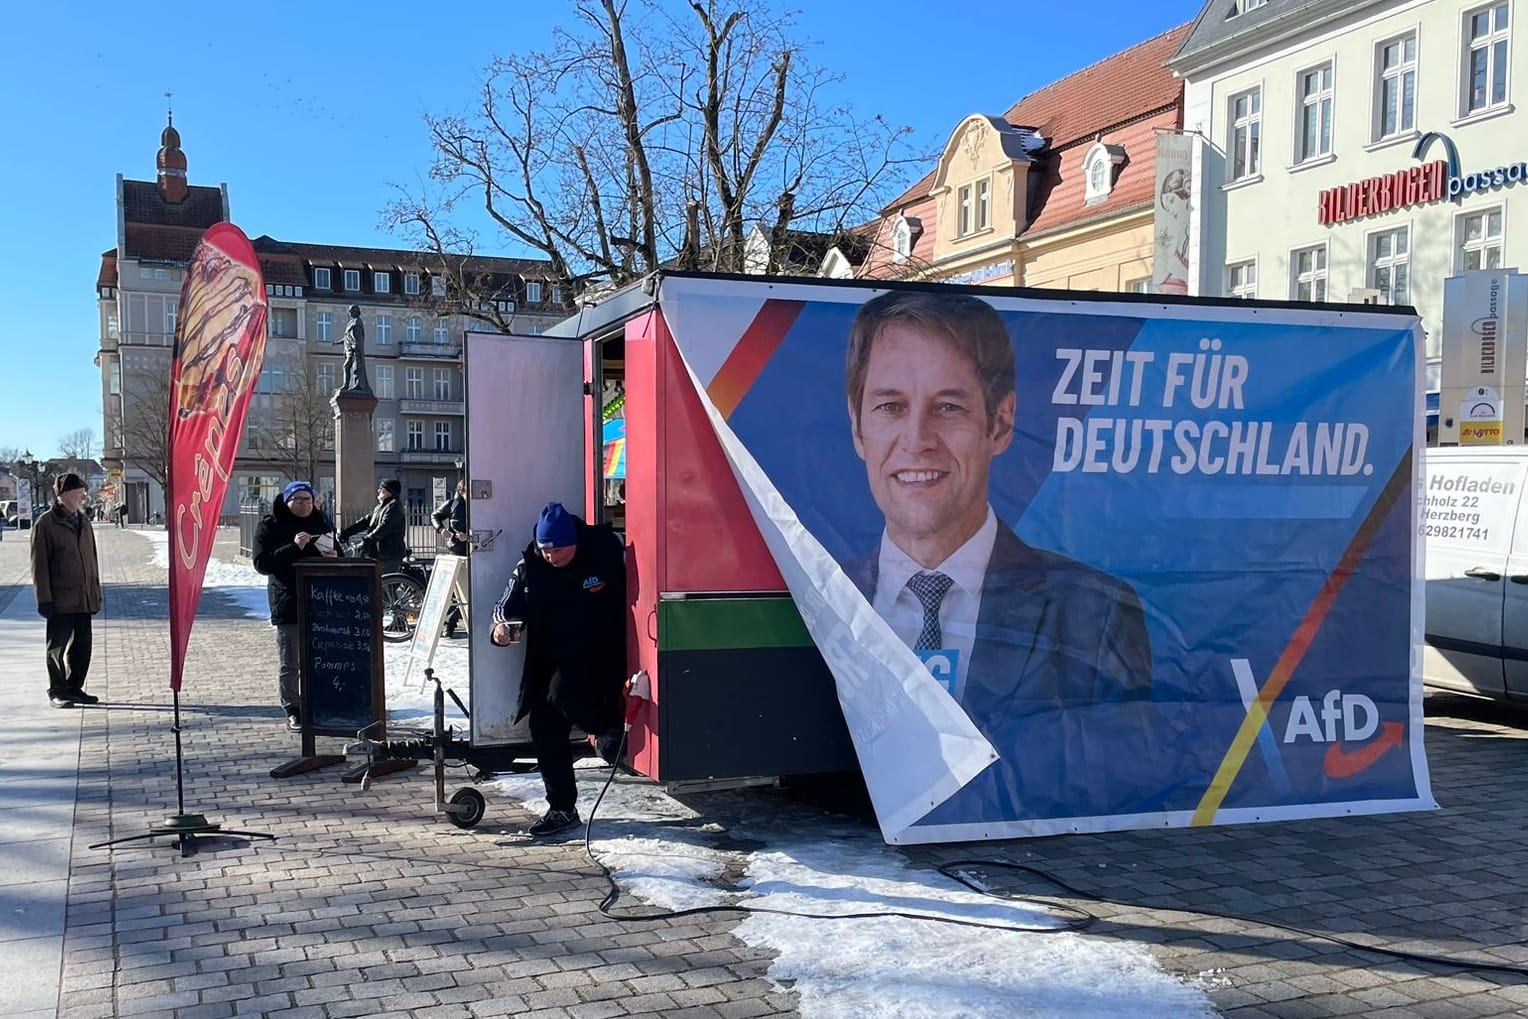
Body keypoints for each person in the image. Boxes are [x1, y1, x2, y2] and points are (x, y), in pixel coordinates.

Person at [841, 290, 1153, 819]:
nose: (917, 440)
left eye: (949, 407)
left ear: (1000, 424)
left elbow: (1120, 782)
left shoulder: (1096, 613)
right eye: (891, 406)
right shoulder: (822, 594)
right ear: (857, 427)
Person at [490, 502, 627, 837]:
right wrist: (502, 629)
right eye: (545, 551)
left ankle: (609, 734)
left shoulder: (604, 551)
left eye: (559, 551)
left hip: (601, 655)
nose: (551, 558)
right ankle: (562, 808)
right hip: (550, 657)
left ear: (575, 543)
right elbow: (504, 608)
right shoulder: (530, 565)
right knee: (544, 726)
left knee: (562, 692)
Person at [252, 481, 338, 730]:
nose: (304, 504)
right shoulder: (270, 525)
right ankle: (292, 706)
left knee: (320, 657)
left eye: (308, 499)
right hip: (288, 600)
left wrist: (334, 558)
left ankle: (320, 702)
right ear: (287, 501)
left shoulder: (321, 523)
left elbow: (339, 553)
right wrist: (293, 548)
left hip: (322, 601)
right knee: (291, 660)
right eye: (298, 500)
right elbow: (261, 564)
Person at [30, 473, 103, 708]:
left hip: (84, 596)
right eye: (80, 491)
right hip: (60, 598)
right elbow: (39, 565)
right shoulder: (45, 524)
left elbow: (92, 559)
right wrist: (44, 599)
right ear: (64, 494)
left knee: (83, 646)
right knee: (57, 647)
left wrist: (95, 591)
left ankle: (74, 688)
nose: (84, 495)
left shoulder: (84, 522)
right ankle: (57, 691)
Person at [340, 478, 407, 575]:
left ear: (389, 491)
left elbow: (384, 528)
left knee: (381, 584)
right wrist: (347, 532)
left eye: (381, 488)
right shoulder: (381, 507)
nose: (378, 491)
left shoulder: (394, 507)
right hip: (378, 553)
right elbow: (365, 521)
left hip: (389, 554)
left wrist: (367, 539)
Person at [432, 480, 469, 639]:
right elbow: (435, 515)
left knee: (466, 592)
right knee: (454, 592)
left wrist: (468, 536)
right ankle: (446, 624)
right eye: (466, 492)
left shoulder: (478, 506)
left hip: (472, 551)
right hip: (456, 551)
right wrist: (442, 530)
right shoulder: (453, 505)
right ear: (461, 492)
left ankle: (452, 622)